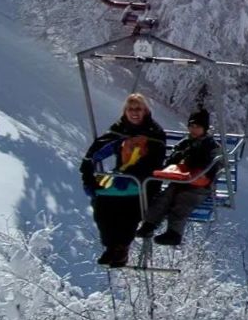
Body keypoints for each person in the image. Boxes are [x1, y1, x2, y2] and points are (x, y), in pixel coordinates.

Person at [80, 93, 167, 267]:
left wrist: (133, 175)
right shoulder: (119, 129)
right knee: (102, 203)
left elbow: (155, 162)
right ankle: (111, 247)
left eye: (138, 109)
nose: (134, 113)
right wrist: (88, 173)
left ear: (145, 111)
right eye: (131, 109)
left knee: (128, 207)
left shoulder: (154, 133)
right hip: (121, 177)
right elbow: (97, 150)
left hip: (145, 181)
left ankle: (121, 248)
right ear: (125, 111)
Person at [137, 108, 220, 247]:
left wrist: (200, 163)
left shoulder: (211, 146)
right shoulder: (185, 143)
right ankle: (149, 225)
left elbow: (215, 164)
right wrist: (178, 157)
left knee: (182, 201)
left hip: (199, 187)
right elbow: (171, 161)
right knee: (164, 197)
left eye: (197, 127)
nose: (193, 130)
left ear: (204, 129)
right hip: (180, 182)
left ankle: (174, 234)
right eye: (191, 126)